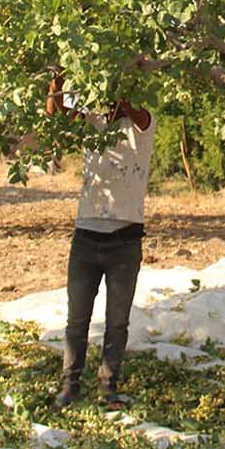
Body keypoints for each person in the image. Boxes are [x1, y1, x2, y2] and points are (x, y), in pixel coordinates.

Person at [46, 72, 155, 410]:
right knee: (76, 319)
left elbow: (138, 115)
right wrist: (57, 79)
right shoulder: (92, 119)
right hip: (86, 237)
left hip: (125, 240)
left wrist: (119, 96)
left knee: (117, 321)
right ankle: (70, 385)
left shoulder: (142, 122)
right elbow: (55, 111)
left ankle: (109, 386)